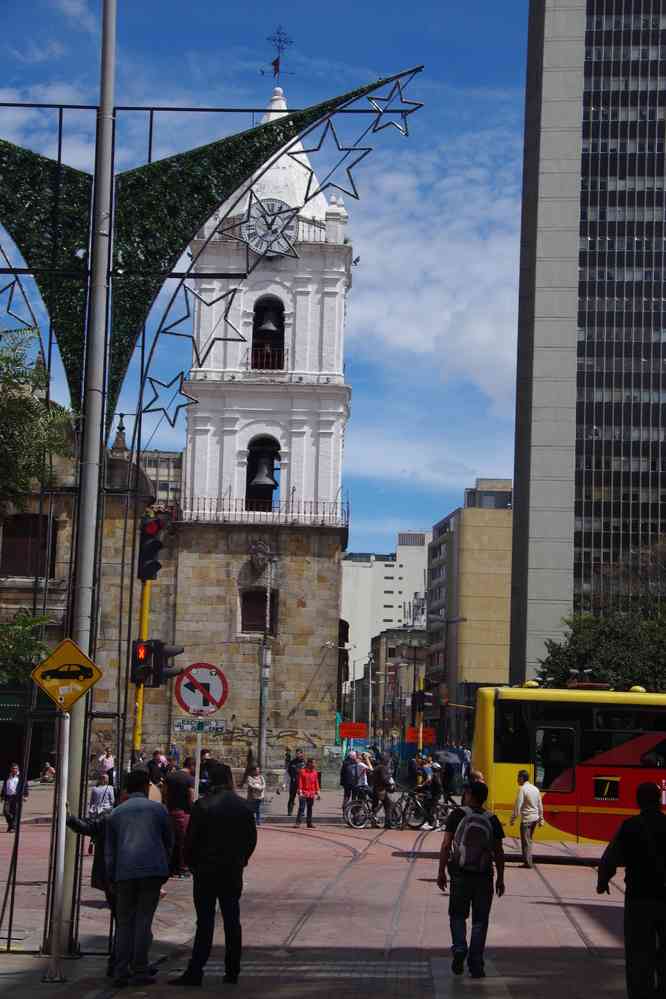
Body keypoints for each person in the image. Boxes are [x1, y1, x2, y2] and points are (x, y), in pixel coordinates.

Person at [169, 762, 257, 987]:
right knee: (232, 921)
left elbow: (190, 842)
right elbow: (250, 839)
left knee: (205, 922)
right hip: (231, 870)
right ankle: (232, 970)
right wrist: (241, 860)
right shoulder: (243, 806)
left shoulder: (203, 805)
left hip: (206, 871)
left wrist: (193, 864)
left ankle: (196, 970)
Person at [105, 769, 173, 987]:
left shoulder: (116, 813)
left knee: (123, 923)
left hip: (124, 873)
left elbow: (109, 851)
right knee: (143, 921)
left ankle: (120, 970)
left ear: (126, 788)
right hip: (152, 872)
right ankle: (140, 969)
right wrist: (164, 868)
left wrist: (111, 878)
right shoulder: (159, 810)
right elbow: (168, 842)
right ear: (146, 787)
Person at [597, 781, 666, 999]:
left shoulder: (629, 826)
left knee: (638, 953)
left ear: (638, 801)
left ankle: (640, 994)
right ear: (659, 800)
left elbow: (610, 858)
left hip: (639, 898)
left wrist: (603, 880)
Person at [437, 780, 505, 979]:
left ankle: (459, 948)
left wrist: (441, 871)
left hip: (460, 874)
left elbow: (445, 845)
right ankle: (476, 964)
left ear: (469, 795)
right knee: (480, 921)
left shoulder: (457, 815)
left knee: (457, 915)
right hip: (484, 876)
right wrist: (501, 878)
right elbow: (499, 852)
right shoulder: (492, 819)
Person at [164, 756, 196, 877]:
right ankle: (182, 868)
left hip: (171, 811)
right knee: (183, 841)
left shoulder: (170, 776)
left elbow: (165, 793)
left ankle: (171, 867)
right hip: (184, 813)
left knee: (171, 840)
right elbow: (191, 796)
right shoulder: (189, 779)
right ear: (192, 766)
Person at [510, 769, 543, 868]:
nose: (517, 780)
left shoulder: (522, 789)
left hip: (527, 820)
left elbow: (518, 806)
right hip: (535, 819)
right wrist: (541, 818)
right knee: (529, 840)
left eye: (518, 777)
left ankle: (528, 863)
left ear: (521, 778)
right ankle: (528, 861)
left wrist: (513, 818)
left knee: (526, 842)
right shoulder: (535, 789)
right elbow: (540, 805)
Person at [371, 753, 396, 829]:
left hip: (375, 788)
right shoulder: (383, 768)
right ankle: (388, 823)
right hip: (381, 790)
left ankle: (373, 822)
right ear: (385, 760)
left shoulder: (377, 767)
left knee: (375, 806)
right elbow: (384, 779)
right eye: (388, 760)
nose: (388, 762)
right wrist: (390, 783)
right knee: (389, 805)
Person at [1, 764, 28, 833]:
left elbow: (25, 786)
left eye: (15, 768)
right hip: (8, 797)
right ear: (11, 769)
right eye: (13, 768)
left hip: (16, 797)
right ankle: (11, 825)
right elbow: (4, 786)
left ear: (18, 769)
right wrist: (2, 796)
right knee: (5, 811)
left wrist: (25, 795)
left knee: (15, 812)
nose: (14, 770)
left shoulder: (21, 777)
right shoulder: (7, 776)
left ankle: (12, 827)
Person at [295, 758, 320, 828]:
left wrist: (317, 792)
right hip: (303, 792)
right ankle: (298, 822)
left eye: (314, 763)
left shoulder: (315, 772)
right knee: (301, 808)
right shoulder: (302, 771)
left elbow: (316, 782)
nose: (314, 765)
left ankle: (309, 823)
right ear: (309, 763)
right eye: (313, 763)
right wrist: (300, 791)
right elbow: (300, 782)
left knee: (310, 808)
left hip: (311, 793)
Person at [423, 761, 444, 830]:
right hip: (437, 794)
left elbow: (430, 783)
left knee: (431, 808)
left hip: (435, 794)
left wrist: (423, 786)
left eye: (432, 768)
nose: (431, 769)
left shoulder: (434, 775)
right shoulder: (438, 775)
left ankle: (434, 823)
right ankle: (432, 822)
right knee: (432, 807)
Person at [287, 749, 305, 816]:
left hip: (302, 783)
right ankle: (290, 811)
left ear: (302, 754)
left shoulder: (304, 762)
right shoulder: (292, 762)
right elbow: (288, 772)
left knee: (302, 798)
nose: (297, 755)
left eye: (299, 753)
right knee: (291, 797)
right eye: (296, 753)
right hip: (294, 782)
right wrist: (285, 783)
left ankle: (302, 811)